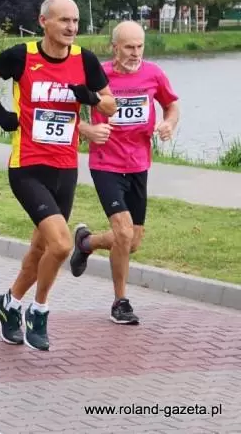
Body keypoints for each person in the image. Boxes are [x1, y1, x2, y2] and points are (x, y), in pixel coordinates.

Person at [0, 0, 117, 351]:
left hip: (64, 169)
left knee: (41, 250)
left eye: (75, 21)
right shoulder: (22, 56)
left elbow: (111, 104)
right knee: (62, 244)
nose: (71, 27)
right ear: (43, 22)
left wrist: (92, 99)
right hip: (28, 167)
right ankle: (39, 311)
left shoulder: (85, 60)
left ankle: (9, 304)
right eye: (64, 20)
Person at [69, 20, 180, 324]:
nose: (135, 53)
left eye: (140, 46)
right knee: (123, 231)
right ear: (114, 47)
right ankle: (120, 302)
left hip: (139, 164)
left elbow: (172, 105)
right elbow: (62, 109)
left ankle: (86, 243)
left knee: (132, 242)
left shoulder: (154, 73)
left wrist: (168, 123)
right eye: (129, 47)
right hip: (106, 164)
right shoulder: (98, 75)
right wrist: (87, 129)